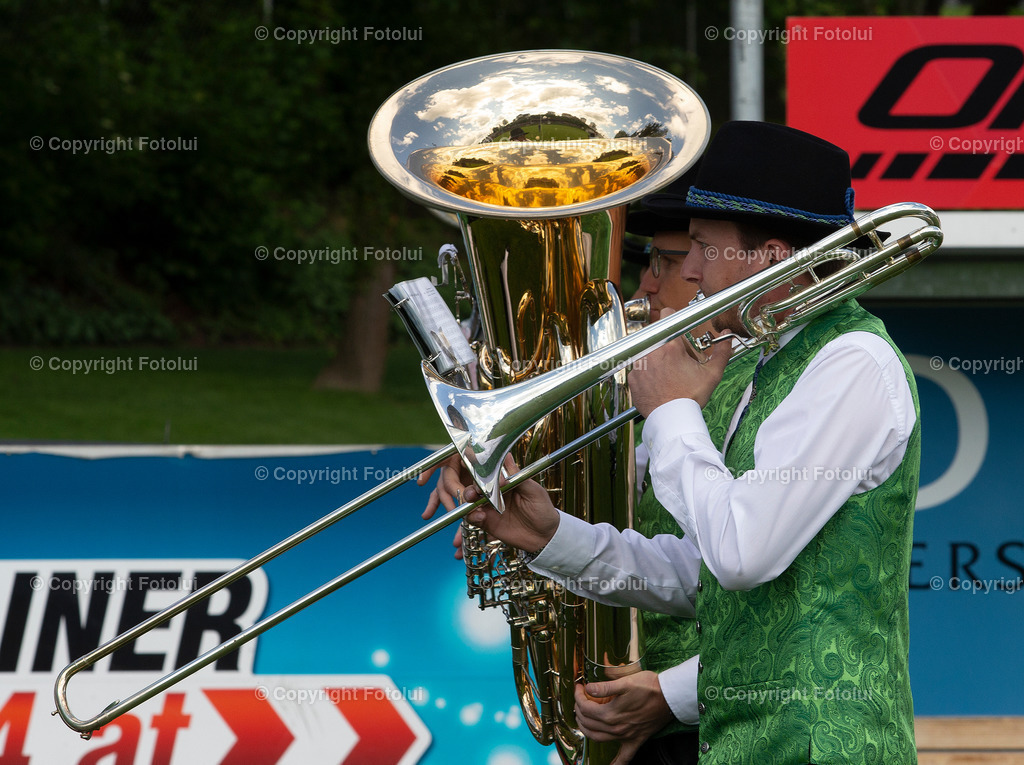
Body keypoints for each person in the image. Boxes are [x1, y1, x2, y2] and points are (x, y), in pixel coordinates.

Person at [429, 121, 921, 764]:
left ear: (769, 257)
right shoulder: (772, 362)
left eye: (701, 248)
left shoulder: (852, 362)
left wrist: (667, 414)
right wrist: (551, 536)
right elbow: (705, 576)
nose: (688, 270)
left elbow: (742, 554)